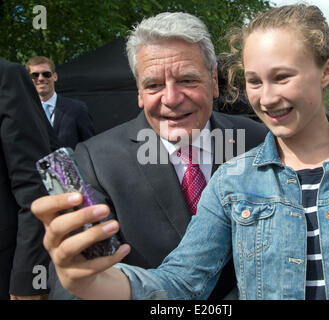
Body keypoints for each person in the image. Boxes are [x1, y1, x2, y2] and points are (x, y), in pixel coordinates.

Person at [34, 12, 268, 300]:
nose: (171, 98)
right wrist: (74, 272)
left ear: (214, 82)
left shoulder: (256, 140)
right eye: (154, 85)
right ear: (139, 93)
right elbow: (73, 282)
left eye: (187, 80)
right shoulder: (96, 161)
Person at [0, 58, 59, 300]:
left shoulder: (6, 76)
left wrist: (30, 279)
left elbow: (37, 182)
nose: (41, 80)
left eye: (46, 74)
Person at [26, 56, 95, 149]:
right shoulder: (24, 112)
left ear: (55, 77)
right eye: (35, 75)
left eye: (46, 74)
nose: (41, 78)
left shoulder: (77, 109)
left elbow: (90, 146)